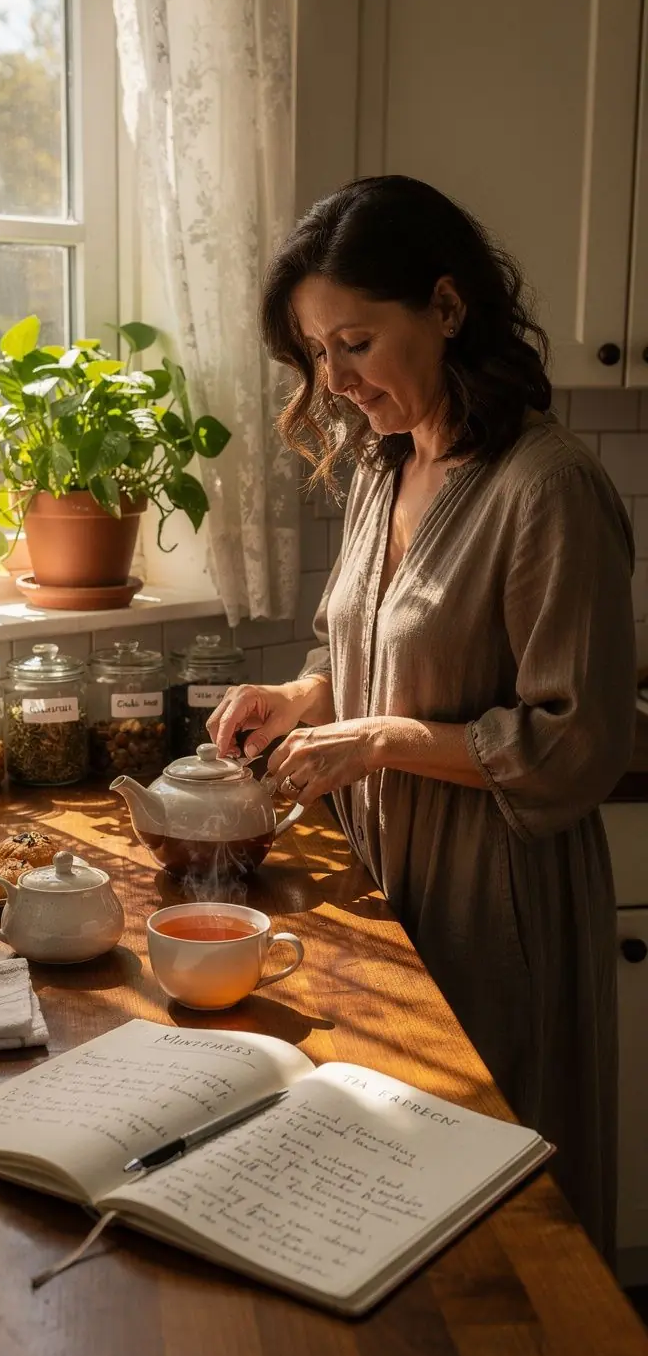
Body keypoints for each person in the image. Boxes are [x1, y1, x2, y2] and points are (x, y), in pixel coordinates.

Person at [207, 175, 635, 1258]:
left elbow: (578, 744)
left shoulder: (549, 489)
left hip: (501, 906)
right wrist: (303, 696)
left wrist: (382, 742)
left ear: (447, 308)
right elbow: (363, 654)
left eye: (354, 342)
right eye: (314, 352)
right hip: (386, 886)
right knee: (389, 1218)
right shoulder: (381, 466)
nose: (333, 380)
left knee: (507, 1239)